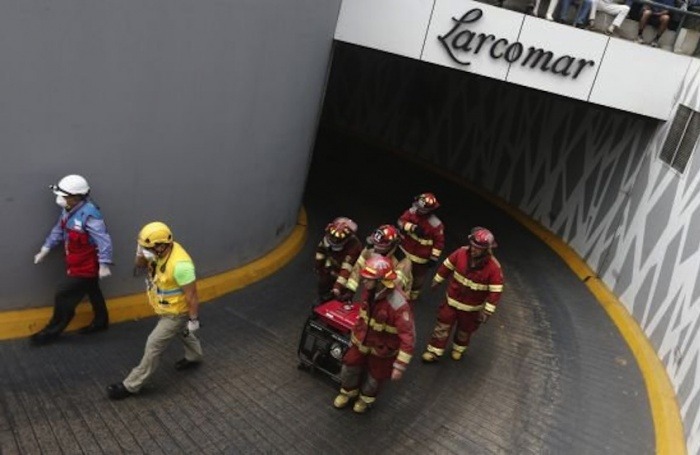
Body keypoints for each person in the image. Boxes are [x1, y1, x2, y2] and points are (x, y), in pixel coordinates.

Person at [107, 221, 202, 400]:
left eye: (146, 248)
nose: (144, 251)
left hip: (176, 313)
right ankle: (195, 356)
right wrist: (140, 251)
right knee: (182, 332)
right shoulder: (158, 252)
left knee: (153, 344)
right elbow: (139, 265)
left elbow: (192, 296)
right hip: (164, 309)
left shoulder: (181, 266)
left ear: (161, 246)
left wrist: (193, 319)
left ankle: (131, 385)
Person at [31, 174, 113, 345]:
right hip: (76, 260)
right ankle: (101, 322)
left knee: (63, 294)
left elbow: (103, 240)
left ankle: (51, 331)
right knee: (93, 290)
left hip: (87, 265)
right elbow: (59, 230)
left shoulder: (90, 215)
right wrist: (45, 249)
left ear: (76, 197)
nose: (60, 199)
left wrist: (104, 264)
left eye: (64, 196)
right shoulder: (68, 210)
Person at [332, 255, 415, 414]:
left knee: (374, 378)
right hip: (362, 341)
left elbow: (408, 337)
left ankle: (364, 400)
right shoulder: (369, 292)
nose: (364, 281)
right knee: (349, 366)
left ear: (380, 282)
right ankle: (347, 393)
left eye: (368, 279)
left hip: (382, 349)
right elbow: (363, 317)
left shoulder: (398, 305)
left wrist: (399, 366)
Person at [421, 227, 504, 363]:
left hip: (471, 309)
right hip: (451, 301)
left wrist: (487, 311)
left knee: (464, 331)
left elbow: (496, 291)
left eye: (477, 248)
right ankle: (434, 352)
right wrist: (437, 280)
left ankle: (458, 349)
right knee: (442, 327)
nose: (473, 249)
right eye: (472, 246)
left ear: (487, 250)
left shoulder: (494, 268)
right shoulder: (460, 253)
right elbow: (447, 265)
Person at [396, 193, 445, 303]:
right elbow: (400, 222)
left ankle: (412, 298)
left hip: (421, 257)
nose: (419, 211)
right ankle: (396, 291)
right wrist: (412, 227)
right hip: (404, 249)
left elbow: (439, 243)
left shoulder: (436, 225)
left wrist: (433, 258)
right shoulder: (412, 212)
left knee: (417, 279)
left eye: (423, 210)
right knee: (400, 272)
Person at [343, 224, 413, 299]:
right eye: (375, 244)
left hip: (396, 297)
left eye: (380, 246)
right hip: (374, 287)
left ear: (391, 245)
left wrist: (376, 298)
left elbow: (395, 285)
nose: (375, 249)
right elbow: (358, 267)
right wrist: (350, 290)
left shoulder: (403, 261)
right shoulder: (371, 248)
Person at [314, 217, 363, 303]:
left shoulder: (354, 247)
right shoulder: (329, 236)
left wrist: (337, 287)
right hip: (330, 270)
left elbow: (346, 270)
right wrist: (319, 267)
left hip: (346, 276)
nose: (333, 244)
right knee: (323, 288)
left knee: (340, 298)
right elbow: (321, 251)